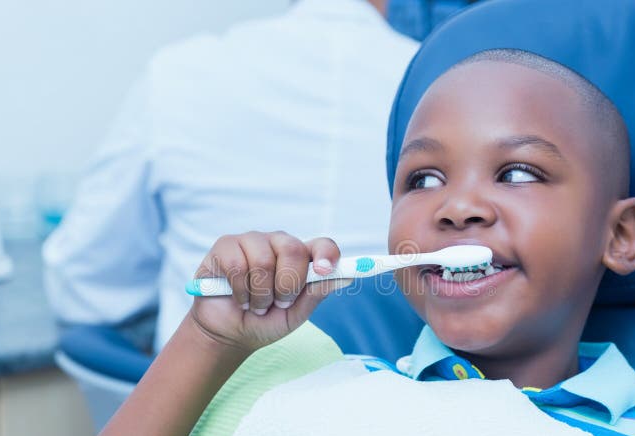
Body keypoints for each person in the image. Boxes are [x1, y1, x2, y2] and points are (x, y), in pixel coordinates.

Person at [48, 46, 635, 436]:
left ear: (620, 235)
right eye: (423, 179)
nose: (457, 206)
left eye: (520, 173)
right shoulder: (288, 381)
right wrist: (206, 340)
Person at [42, 0, 418, 352]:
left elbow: (83, 285)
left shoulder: (180, 74)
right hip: (401, 405)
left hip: (203, 406)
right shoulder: (440, 83)